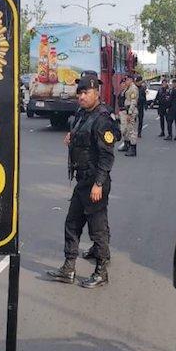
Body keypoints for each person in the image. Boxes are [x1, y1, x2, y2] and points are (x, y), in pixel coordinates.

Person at [47, 74, 115, 288]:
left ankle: (101, 272)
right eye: (80, 93)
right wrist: (71, 137)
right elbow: (81, 136)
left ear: (96, 93)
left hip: (95, 182)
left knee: (97, 229)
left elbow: (107, 156)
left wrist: (99, 184)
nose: (82, 97)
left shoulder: (103, 119)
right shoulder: (82, 113)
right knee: (72, 223)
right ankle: (68, 268)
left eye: (86, 93)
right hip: (82, 181)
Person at [121, 74, 139, 156]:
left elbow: (133, 101)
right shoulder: (128, 88)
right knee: (127, 130)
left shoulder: (133, 88)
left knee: (132, 130)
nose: (126, 82)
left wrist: (130, 113)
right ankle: (128, 146)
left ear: (131, 80)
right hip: (127, 110)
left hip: (131, 111)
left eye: (127, 80)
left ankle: (133, 148)